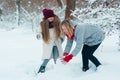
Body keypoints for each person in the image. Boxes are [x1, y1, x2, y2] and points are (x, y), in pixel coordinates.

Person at [37, 9, 64, 73]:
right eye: (49, 17)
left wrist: (61, 39)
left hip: (56, 43)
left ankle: (58, 69)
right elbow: (40, 32)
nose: (51, 18)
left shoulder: (58, 23)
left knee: (56, 56)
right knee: (47, 57)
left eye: (52, 16)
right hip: (48, 43)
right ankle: (42, 67)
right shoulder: (42, 25)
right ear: (46, 18)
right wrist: (39, 35)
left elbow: (62, 32)